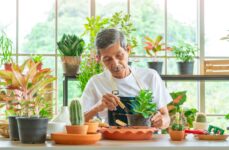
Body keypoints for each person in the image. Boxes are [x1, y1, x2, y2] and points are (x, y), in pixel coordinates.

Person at [81, 28, 172, 129]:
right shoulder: (96, 82)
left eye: (119, 55)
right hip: (112, 143)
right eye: (107, 59)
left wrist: (162, 121)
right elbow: (78, 121)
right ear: (99, 59)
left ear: (128, 50)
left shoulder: (151, 77)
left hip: (147, 142)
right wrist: (97, 107)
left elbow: (166, 117)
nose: (115, 64)